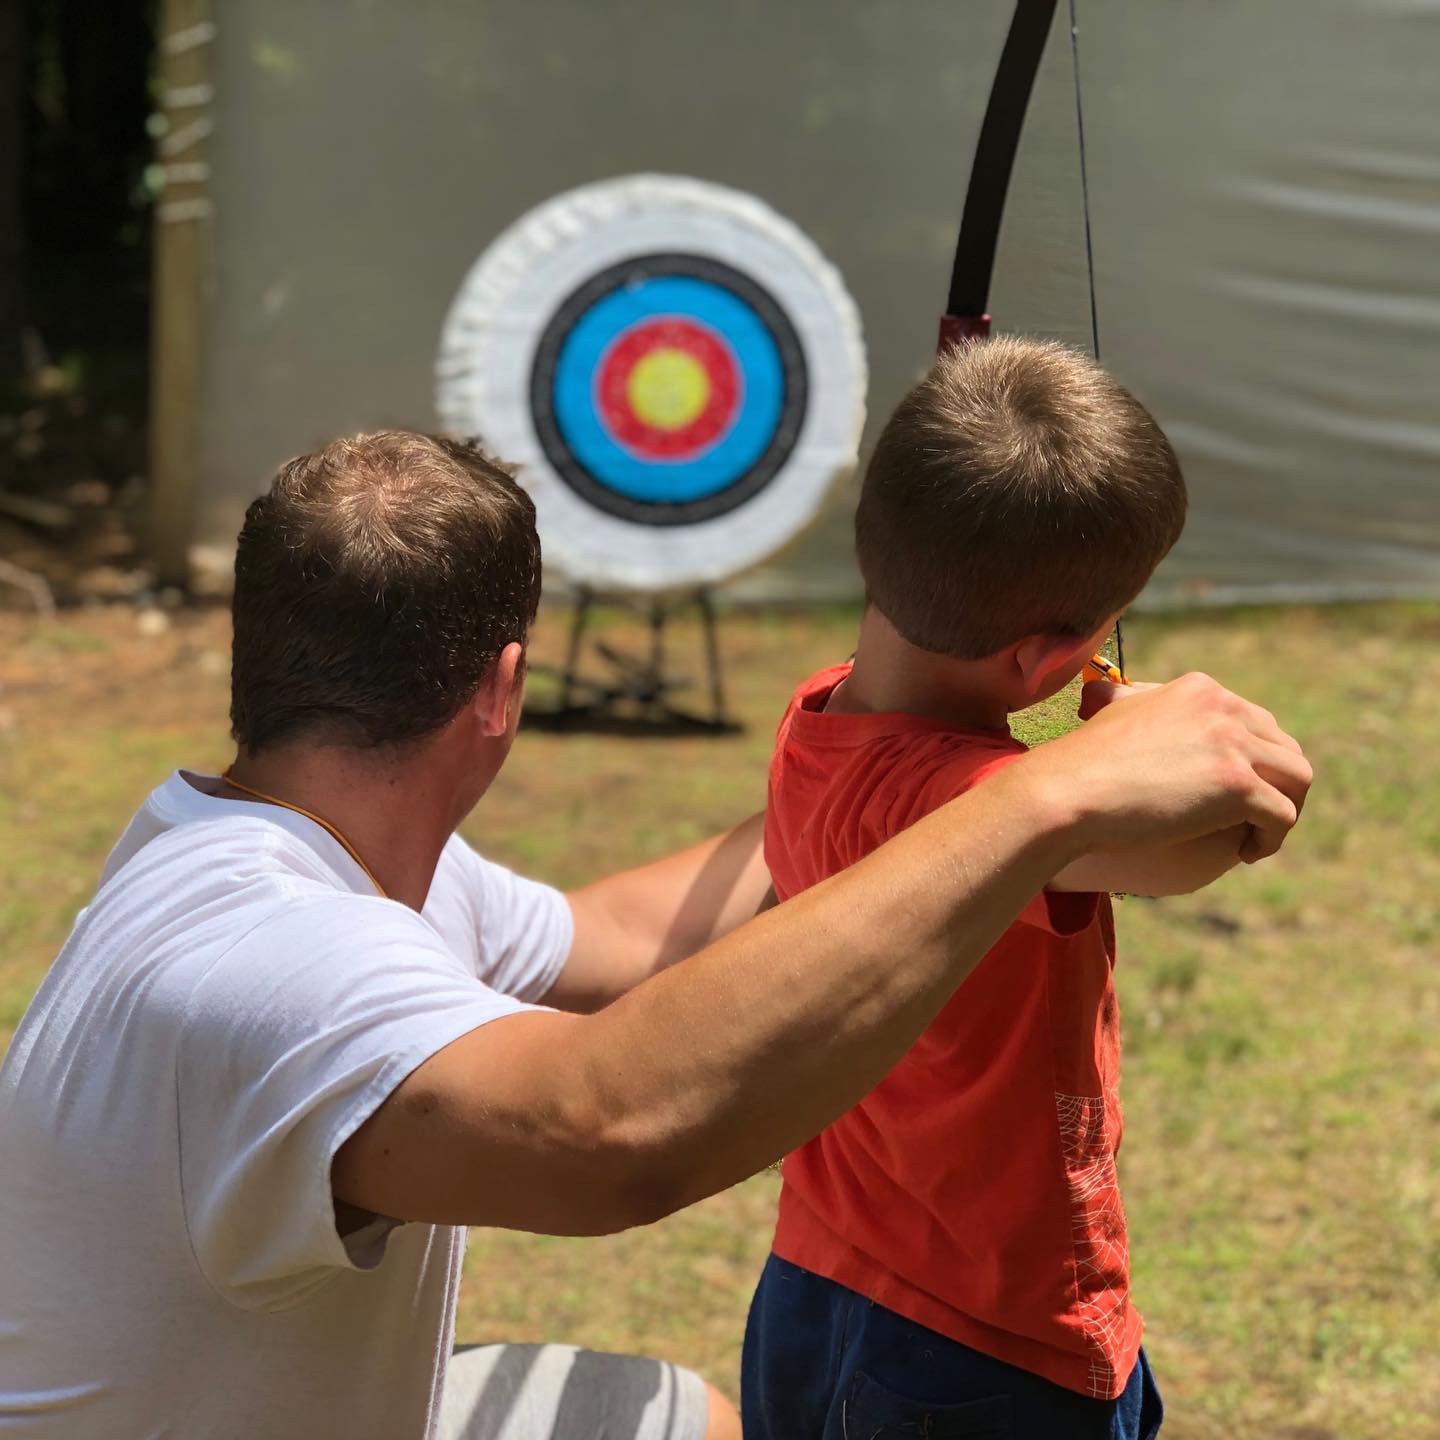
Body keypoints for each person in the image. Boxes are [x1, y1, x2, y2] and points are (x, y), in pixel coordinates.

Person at [0, 431, 1309, 1440]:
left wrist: (877, 749)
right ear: (505, 688)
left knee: (681, 1422)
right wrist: (1045, 794)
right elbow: (608, 1133)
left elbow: (632, 937)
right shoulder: (271, 960)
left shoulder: (308, 857)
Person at [740, 337, 1270, 1440]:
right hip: (986, 1339)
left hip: (815, 1282)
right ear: (1038, 661)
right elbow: (1217, 833)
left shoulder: (812, 717)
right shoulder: (1003, 816)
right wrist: (1126, 719)